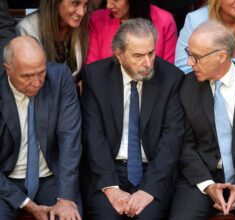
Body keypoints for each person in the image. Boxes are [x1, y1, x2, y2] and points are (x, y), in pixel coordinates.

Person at [170, 20, 235, 220]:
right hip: (201, 177)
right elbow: (185, 145)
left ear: (221, 56)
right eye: (188, 54)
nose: (189, 63)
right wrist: (207, 185)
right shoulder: (185, 88)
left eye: (196, 57)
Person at [81, 18, 184, 219]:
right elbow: (93, 135)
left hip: (152, 172)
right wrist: (110, 187)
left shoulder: (172, 78)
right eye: (138, 55)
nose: (147, 62)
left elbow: (172, 140)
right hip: (108, 170)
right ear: (119, 55)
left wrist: (149, 189)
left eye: (151, 53)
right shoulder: (95, 76)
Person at [0, 36, 82, 219]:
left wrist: (66, 198)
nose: (36, 82)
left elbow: (70, 139)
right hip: (6, 182)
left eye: (41, 72)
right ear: (8, 70)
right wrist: (28, 205)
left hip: (52, 178)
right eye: (27, 76)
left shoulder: (59, 77)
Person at [16, 0, 89, 80]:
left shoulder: (83, 25)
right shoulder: (28, 29)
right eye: (75, 3)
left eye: (85, 4)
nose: (81, 12)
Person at [87, 0, 177, 64]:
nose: (108, 6)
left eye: (116, 0)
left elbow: (167, 75)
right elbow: (92, 72)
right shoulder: (97, 20)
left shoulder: (165, 21)